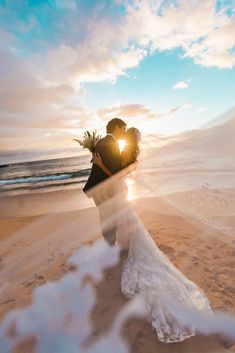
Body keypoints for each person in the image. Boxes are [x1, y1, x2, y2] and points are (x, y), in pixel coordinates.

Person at [92, 127, 213, 343]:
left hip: (120, 194)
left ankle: (126, 250)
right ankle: (125, 249)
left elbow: (117, 174)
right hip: (121, 193)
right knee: (130, 226)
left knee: (129, 224)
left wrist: (100, 164)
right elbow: (122, 172)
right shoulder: (129, 154)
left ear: (126, 140)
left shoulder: (124, 154)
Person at [83, 118, 126, 246]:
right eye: (123, 129)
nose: (124, 132)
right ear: (117, 128)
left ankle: (111, 244)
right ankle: (111, 245)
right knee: (109, 216)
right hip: (102, 188)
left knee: (107, 215)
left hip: (98, 187)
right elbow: (115, 173)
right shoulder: (111, 144)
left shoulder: (103, 142)